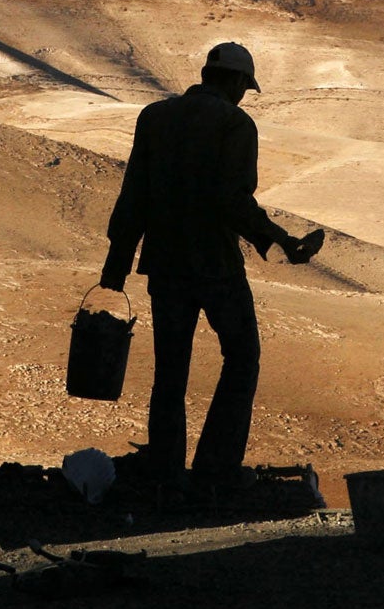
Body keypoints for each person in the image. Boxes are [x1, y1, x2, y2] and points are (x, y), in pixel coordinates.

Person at [98, 42, 324, 489]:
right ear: (239, 82)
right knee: (243, 357)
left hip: (164, 266)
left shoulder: (154, 117)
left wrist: (117, 264)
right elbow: (232, 200)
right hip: (215, 265)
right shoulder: (235, 124)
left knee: (170, 371)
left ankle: (165, 470)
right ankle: (215, 471)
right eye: (245, 87)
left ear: (205, 74)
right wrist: (278, 240)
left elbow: (133, 196)